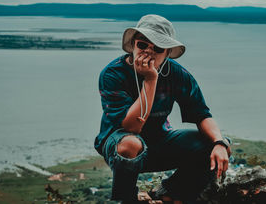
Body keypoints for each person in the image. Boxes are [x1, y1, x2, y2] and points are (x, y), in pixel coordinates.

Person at [94, 14, 232, 203]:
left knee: (213, 145)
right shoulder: (113, 75)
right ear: (133, 44)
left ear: (167, 53)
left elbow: (201, 113)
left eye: (158, 48)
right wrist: (150, 80)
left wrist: (220, 143)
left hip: (160, 142)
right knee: (132, 143)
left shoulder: (177, 74)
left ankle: (170, 194)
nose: (148, 52)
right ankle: (127, 199)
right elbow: (131, 128)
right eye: (142, 45)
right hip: (119, 147)